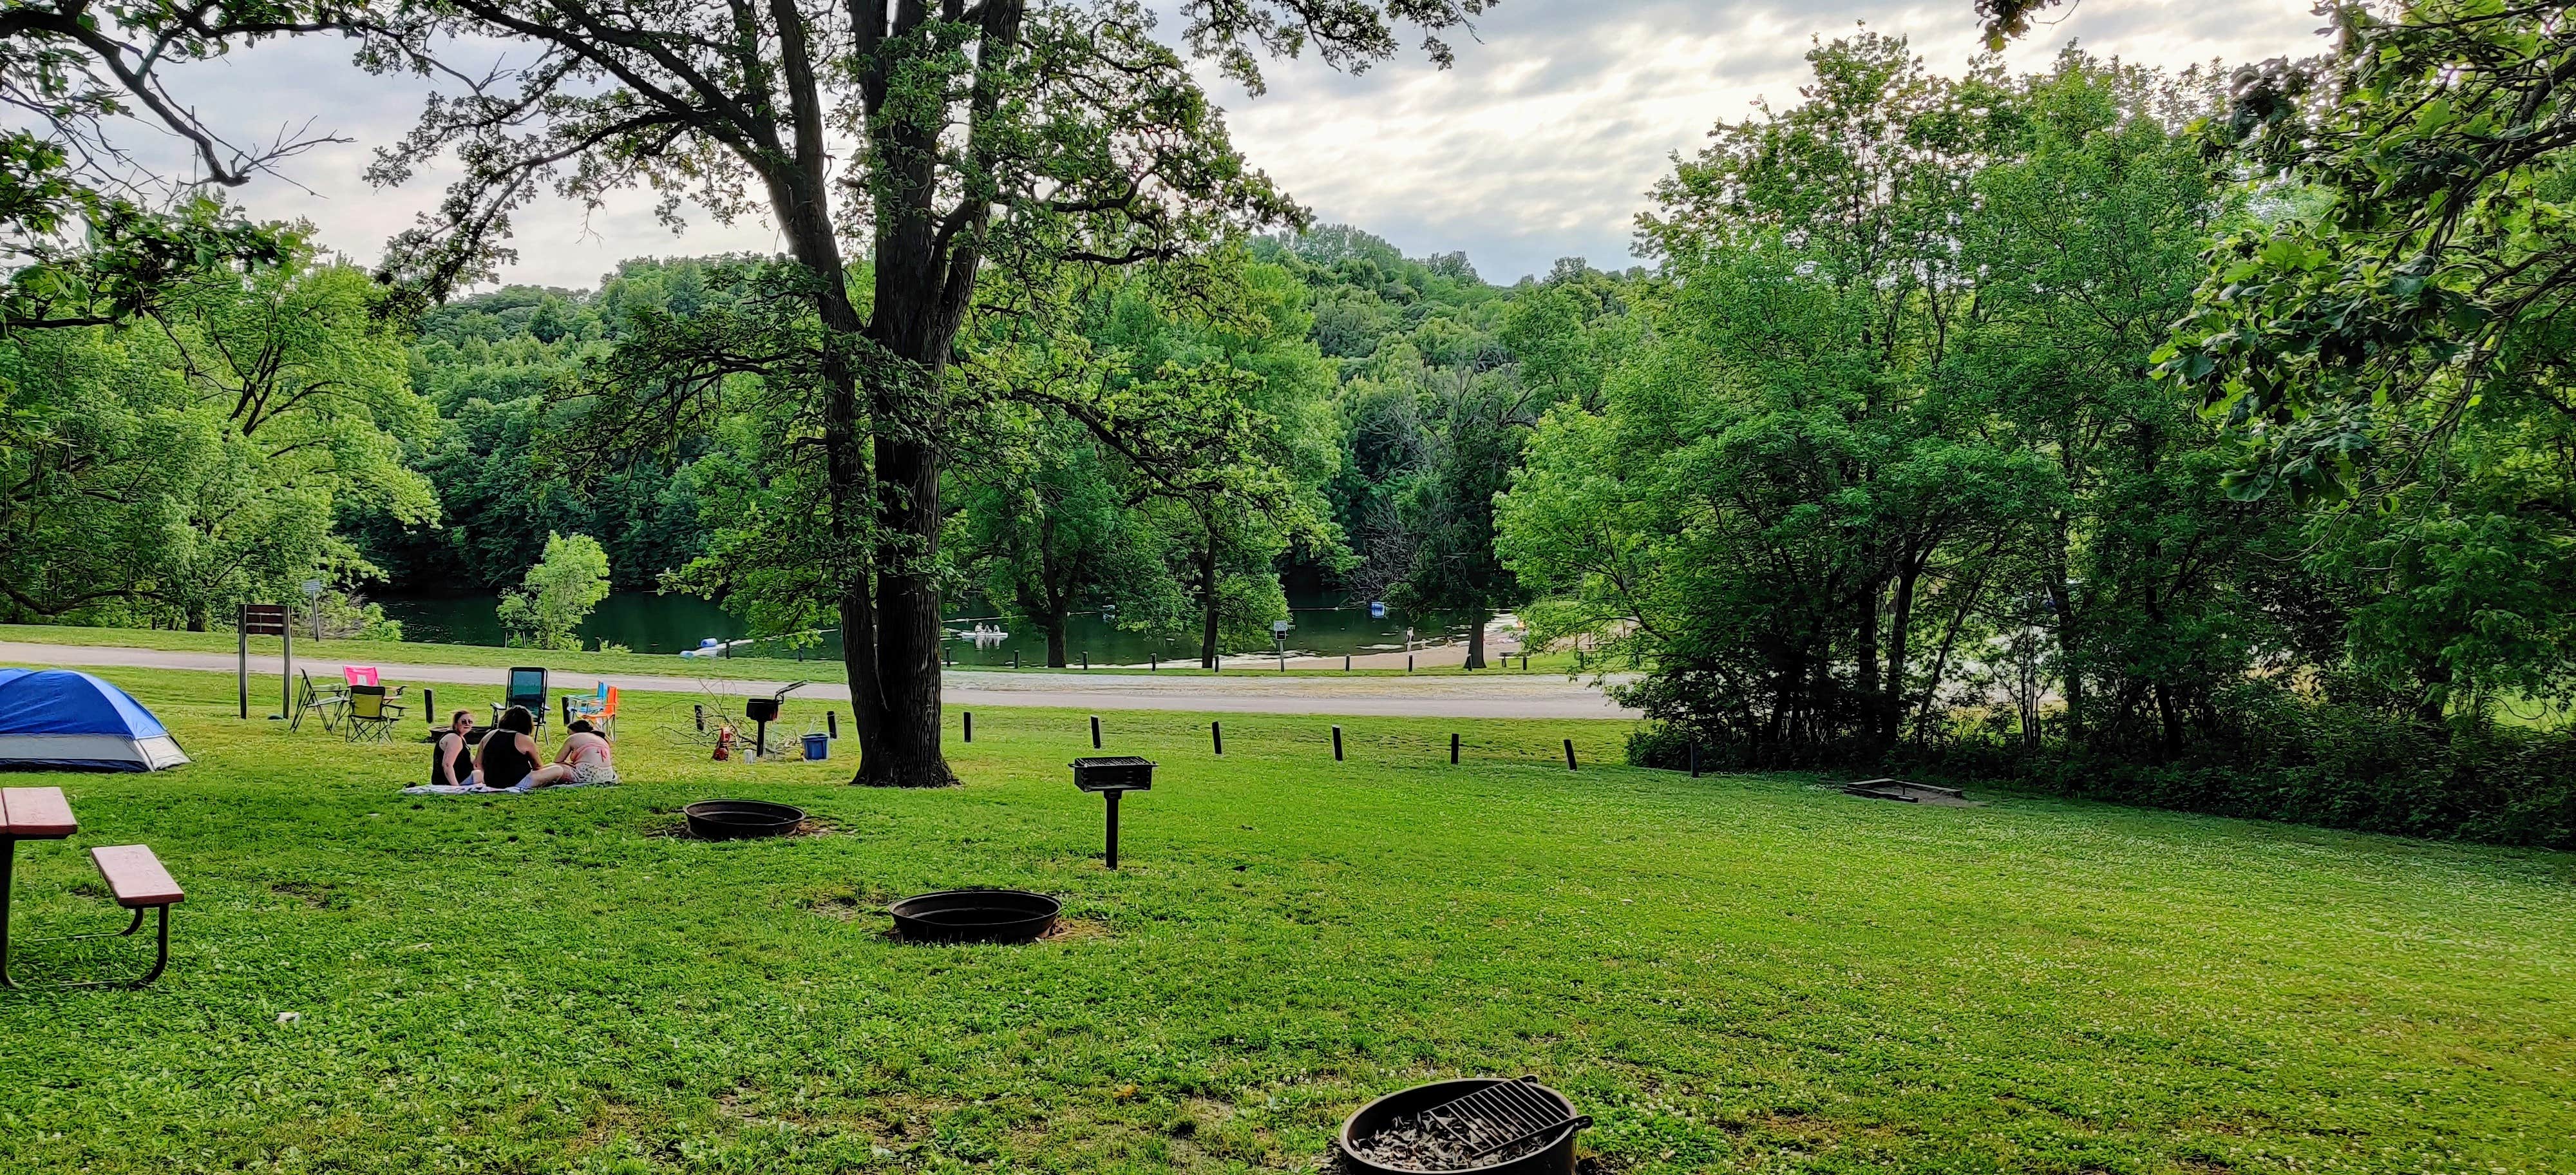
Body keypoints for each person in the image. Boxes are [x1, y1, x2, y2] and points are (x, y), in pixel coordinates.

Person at [527, 719, 618, 788]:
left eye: (569, 733)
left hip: (587, 775)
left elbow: (557, 760)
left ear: (576, 732)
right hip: (606, 775)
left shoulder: (574, 738)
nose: (568, 736)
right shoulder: (599, 738)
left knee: (556, 767)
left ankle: (530, 777)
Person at [476, 705, 542, 792]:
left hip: (491, 781)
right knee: (557, 769)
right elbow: (538, 766)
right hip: (518, 781)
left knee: (553, 766)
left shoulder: (490, 735)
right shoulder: (524, 739)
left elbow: (477, 764)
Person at [430, 710, 480, 788]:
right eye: (463, 722)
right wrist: (456, 788)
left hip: (451, 778)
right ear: (456, 724)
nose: (467, 724)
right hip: (452, 781)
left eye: (470, 722)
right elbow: (447, 765)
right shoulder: (454, 738)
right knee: (485, 775)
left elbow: (474, 762)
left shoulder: (459, 737)